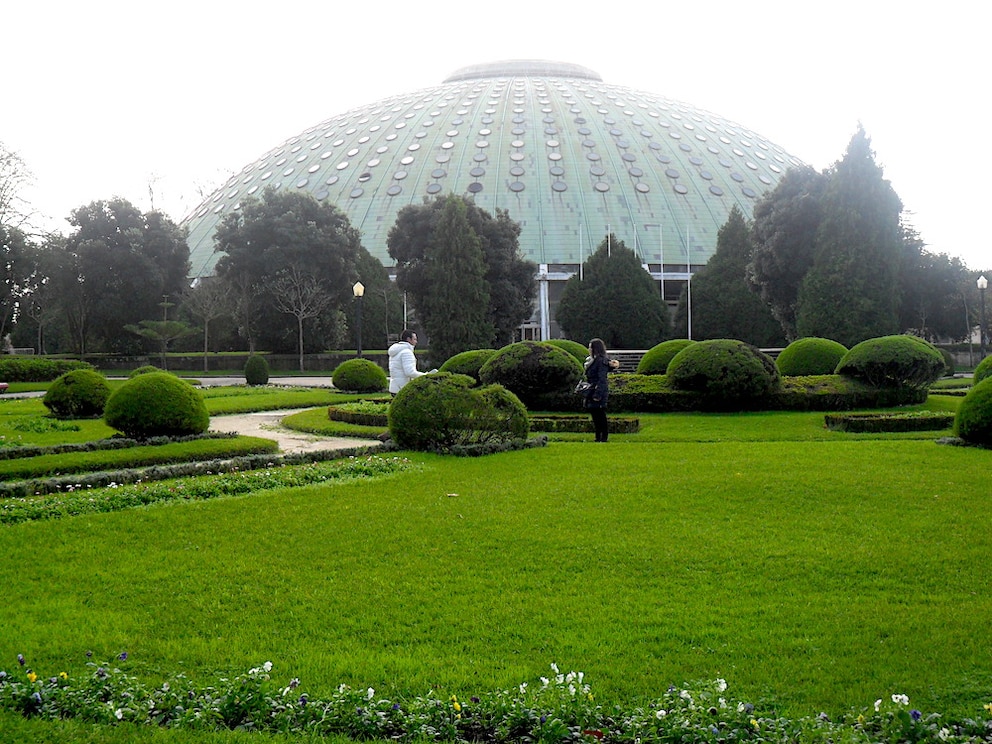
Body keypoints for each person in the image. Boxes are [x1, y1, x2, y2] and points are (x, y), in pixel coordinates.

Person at [583, 338, 619, 442]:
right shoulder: (592, 360)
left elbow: (602, 379)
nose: (589, 349)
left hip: (598, 391)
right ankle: (598, 437)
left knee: (600, 415)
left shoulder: (600, 361)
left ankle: (603, 437)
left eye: (590, 347)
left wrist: (598, 394)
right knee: (595, 415)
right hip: (592, 389)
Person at [388, 329, 427, 394]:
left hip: (394, 388)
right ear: (409, 339)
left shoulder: (396, 351)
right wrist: (425, 375)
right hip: (403, 388)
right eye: (414, 339)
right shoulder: (407, 352)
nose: (416, 342)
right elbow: (410, 372)